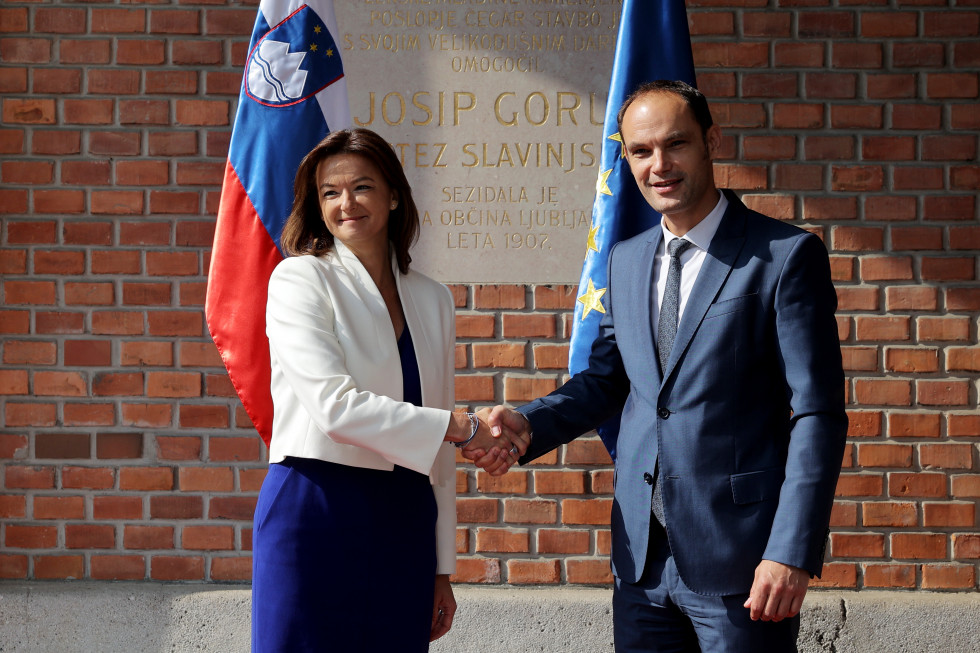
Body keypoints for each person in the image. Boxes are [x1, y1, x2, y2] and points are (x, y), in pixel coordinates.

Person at [482, 81, 847, 652]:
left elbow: (818, 413)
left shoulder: (784, 257)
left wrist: (790, 551)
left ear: (711, 141)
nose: (659, 165)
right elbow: (606, 380)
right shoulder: (625, 259)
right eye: (641, 151)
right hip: (641, 563)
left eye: (674, 144)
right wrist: (531, 423)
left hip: (744, 564)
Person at [252, 128, 528, 652]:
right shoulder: (299, 280)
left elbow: (438, 454)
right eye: (330, 192)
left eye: (362, 186)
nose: (345, 203)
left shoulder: (433, 299)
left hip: (404, 520)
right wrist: (459, 426)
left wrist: (441, 567)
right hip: (314, 509)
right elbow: (334, 409)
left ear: (394, 194)